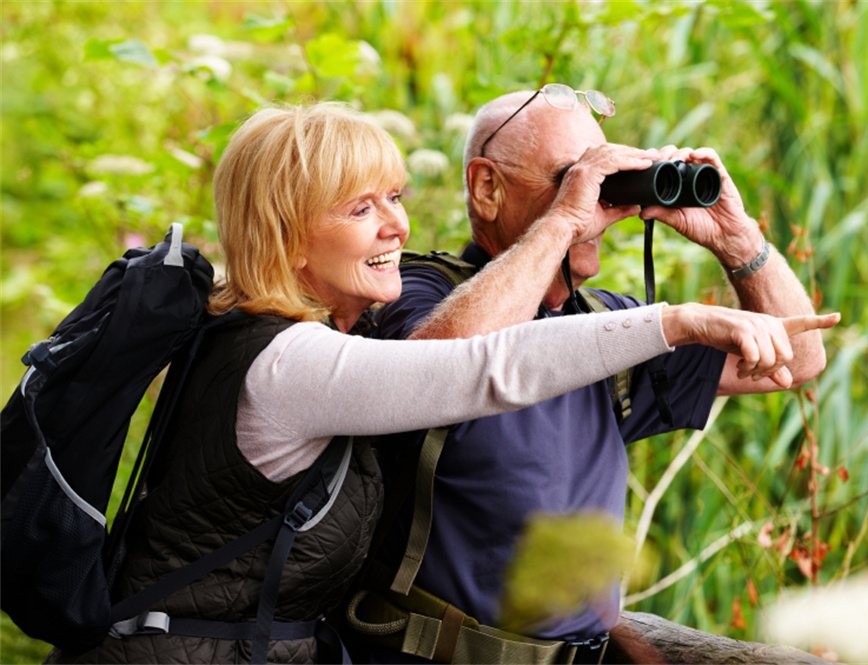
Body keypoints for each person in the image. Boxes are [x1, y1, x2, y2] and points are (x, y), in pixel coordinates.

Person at [42, 102, 803, 665]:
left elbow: (795, 362)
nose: (396, 226)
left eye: (397, 199)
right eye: (361, 206)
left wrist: (734, 236)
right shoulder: (288, 362)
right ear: (288, 232)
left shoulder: (294, 337)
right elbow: (470, 369)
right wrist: (672, 319)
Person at [357, 85, 840, 663]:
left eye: (605, 178)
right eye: (570, 176)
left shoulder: (610, 325)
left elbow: (801, 359)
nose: (596, 201)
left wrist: (736, 237)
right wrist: (564, 220)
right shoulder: (419, 293)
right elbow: (436, 370)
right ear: (487, 188)